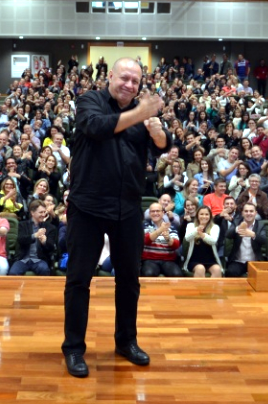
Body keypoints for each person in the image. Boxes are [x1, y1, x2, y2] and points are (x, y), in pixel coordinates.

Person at [63, 57, 171, 378]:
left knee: (129, 281)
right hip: (87, 207)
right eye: (124, 78)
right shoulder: (89, 101)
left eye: (135, 82)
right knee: (79, 280)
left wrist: (159, 134)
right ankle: (73, 349)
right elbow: (95, 128)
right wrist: (141, 113)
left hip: (127, 209)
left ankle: (126, 342)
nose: (129, 85)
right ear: (110, 76)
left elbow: (163, 149)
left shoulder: (143, 114)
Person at [9, 200, 58, 276]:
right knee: (13, 272)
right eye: (40, 212)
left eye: (44, 212)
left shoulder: (50, 227)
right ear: (32, 213)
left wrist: (45, 242)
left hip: (39, 260)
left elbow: (52, 247)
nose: (43, 214)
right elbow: (20, 240)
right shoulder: (22, 225)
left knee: (44, 270)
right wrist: (35, 235)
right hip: (23, 259)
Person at [224, 203, 267, 278]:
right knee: (230, 272)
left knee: (261, 276)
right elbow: (228, 235)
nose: (248, 213)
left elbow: (265, 240)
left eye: (251, 211)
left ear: (255, 213)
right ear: (242, 213)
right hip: (238, 261)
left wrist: (253, 235)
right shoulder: (237, 222)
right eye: (246, 211)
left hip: (254, 262)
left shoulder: (260, 225)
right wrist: (238, 228)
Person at [141, 203, 182, 277]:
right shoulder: (145, 225)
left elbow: (176, 245)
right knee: (148, 273)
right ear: (149, 213)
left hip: (168, 260)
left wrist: (168, 239)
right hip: (149, 259)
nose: (155, 213)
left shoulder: (171, 226)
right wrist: (160, 230)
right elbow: (145, 240)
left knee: (177, 275)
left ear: (163, 213)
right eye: (153, 211)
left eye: (157, 211)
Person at [182, 206, 222, 278]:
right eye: (201, 214)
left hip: (210, 260)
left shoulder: (215, 227)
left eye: (206, 214)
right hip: (194, 260)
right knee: (200, 268)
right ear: (197, 215)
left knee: (217, 269)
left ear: (210, 216)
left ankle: (213, 289)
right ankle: (200, 289)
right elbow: (187, 238)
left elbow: (213, 241)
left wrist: (202, 235)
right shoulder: (190, 225)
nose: (204, 216)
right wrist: (197, 230)